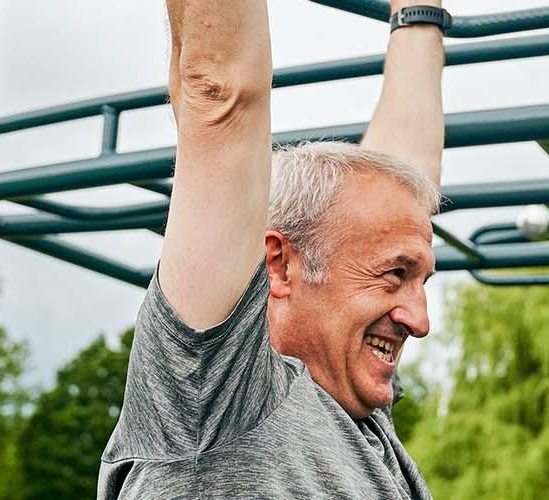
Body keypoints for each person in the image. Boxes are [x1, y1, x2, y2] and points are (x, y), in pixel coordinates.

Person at [97, 0, 448, 498]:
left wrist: (418, 13)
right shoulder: (217, 394)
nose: (420, 319)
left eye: (420, 280)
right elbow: (221, 93)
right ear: (280, 266)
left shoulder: (347, 399)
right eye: (395, 275)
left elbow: (402, 189)